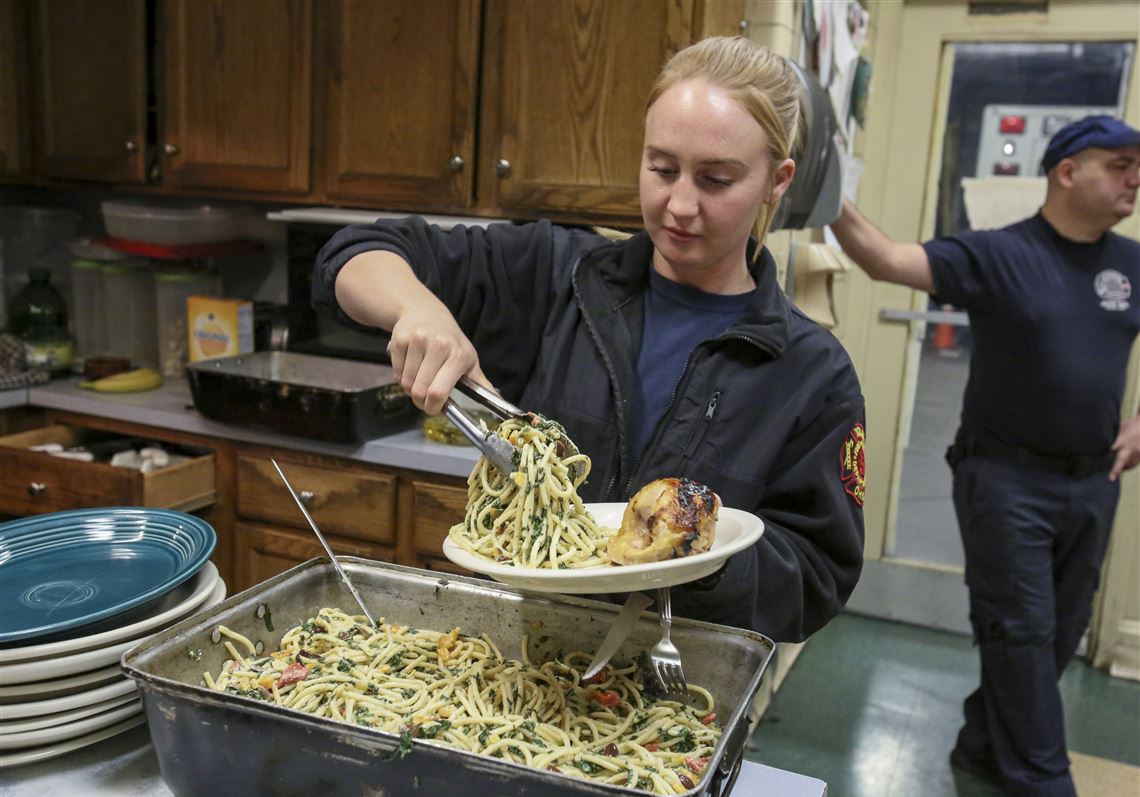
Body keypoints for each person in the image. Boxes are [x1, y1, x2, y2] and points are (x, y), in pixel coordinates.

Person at [312, 36, 866, 642]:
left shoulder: (812, 372)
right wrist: (418, 309)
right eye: (661, 168)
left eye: (715, 180)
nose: (679, 204)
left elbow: (816, 580)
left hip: (679, 685)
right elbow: (353, 253)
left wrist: (701, 561)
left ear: (775, 182)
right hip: (519, 660)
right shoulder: (557, 274)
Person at [829, 114, 1140, 796]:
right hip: (1005, 481)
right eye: (1119, 163)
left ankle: (980, 742)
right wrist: (829, 193)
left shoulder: (1131, 264)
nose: (1134, 178)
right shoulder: (1000, 254)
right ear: (1067, 171)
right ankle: (1042, 778)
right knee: (1023, 633)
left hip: (1093, 482)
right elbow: (886, 259)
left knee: (1059, 634)